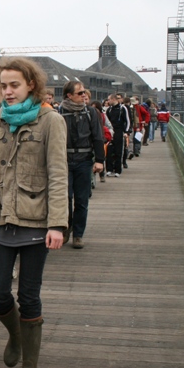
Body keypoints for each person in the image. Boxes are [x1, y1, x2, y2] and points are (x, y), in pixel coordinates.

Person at [0, 57, 68, 368]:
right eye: (3, 85)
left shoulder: (51, 121)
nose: (7, 91)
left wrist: (57, 224)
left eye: (14, 85)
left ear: (31, 84)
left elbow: (58, 175)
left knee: (29, 296)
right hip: (0, 218)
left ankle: (30, 367)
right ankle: (15, 334)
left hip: (36, 220)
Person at [57, 81, 104, 249]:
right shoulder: (59, 113)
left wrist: (100, 160)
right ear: (69, 95)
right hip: (64, 161)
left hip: (84, 160)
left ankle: (78, 234)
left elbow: (98, 137)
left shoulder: (90, 112)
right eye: (80, 93)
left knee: (82, 200)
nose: (84, 95)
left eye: (84, 92)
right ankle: (65, 228)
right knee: (65, 198)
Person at [105, 94, 130, 177]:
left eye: (109, 100)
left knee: (118, 151)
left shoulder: (122, 109)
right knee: (109, 151)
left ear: (113, 99)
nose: (108, 101)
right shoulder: (109, 110)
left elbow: (128, 121)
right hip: (111, 132)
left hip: (119, 131)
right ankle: (109, 169)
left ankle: (118, 170)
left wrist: (126, 132)